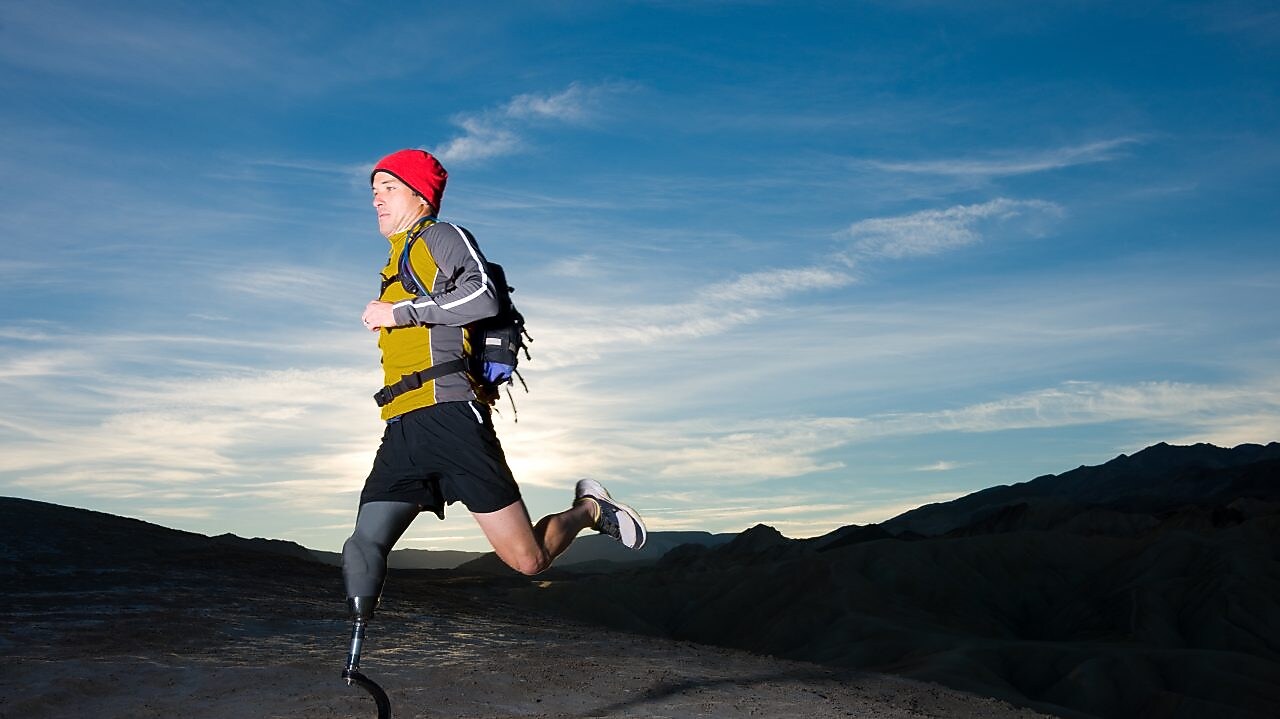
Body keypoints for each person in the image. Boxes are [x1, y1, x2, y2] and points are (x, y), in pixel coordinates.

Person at [340, 148, 647, 625]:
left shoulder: (440, 236)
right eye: (373, 191)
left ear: (420, 195)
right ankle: (354, 657)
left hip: (450, 415)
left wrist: (396, 313)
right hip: (401, 426)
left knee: (528, 561)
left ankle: (589, 509)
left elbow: (484, 296)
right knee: (364, 543)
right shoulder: (395, 259)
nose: (376, 199)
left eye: (389, 188)